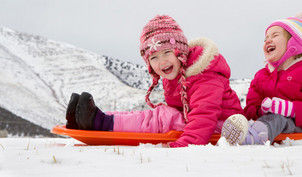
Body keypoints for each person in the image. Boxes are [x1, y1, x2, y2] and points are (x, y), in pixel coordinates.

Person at [66, 15, 243, 147]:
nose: (162, 62)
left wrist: (186, 144)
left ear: (180, 52)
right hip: (199, 124)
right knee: (156, 114)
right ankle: (96, 118)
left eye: (167, 53)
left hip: (222, 127)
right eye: (154, 58)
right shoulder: (175, 76)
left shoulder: (205, 76)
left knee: (164, 118)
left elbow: (204, 115)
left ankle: (102, 123)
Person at [221, 11, 302, 145]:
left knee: (278, 118)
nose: (268, 40)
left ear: (294, 43)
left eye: (275, 35)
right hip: (270, 126)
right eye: (265, 38)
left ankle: (252, 138)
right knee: (268, 118)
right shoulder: (261, 76)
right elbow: (251, 109)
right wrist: (261, 110)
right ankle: (240, 133)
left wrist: (290, 109)